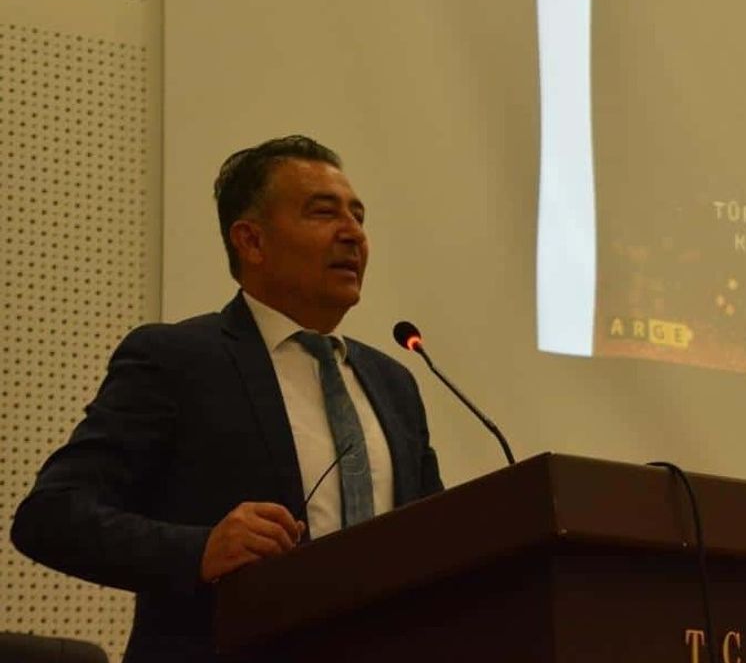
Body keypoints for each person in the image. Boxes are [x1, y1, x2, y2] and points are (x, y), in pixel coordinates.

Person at [10, 135, 444, 663]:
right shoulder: (177, 360)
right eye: (323, 212)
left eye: (359, 216)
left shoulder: (394, 383)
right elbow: (51, 517)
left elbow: (434, 544)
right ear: (251, 241)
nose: (353, 233)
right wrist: (201, 549)